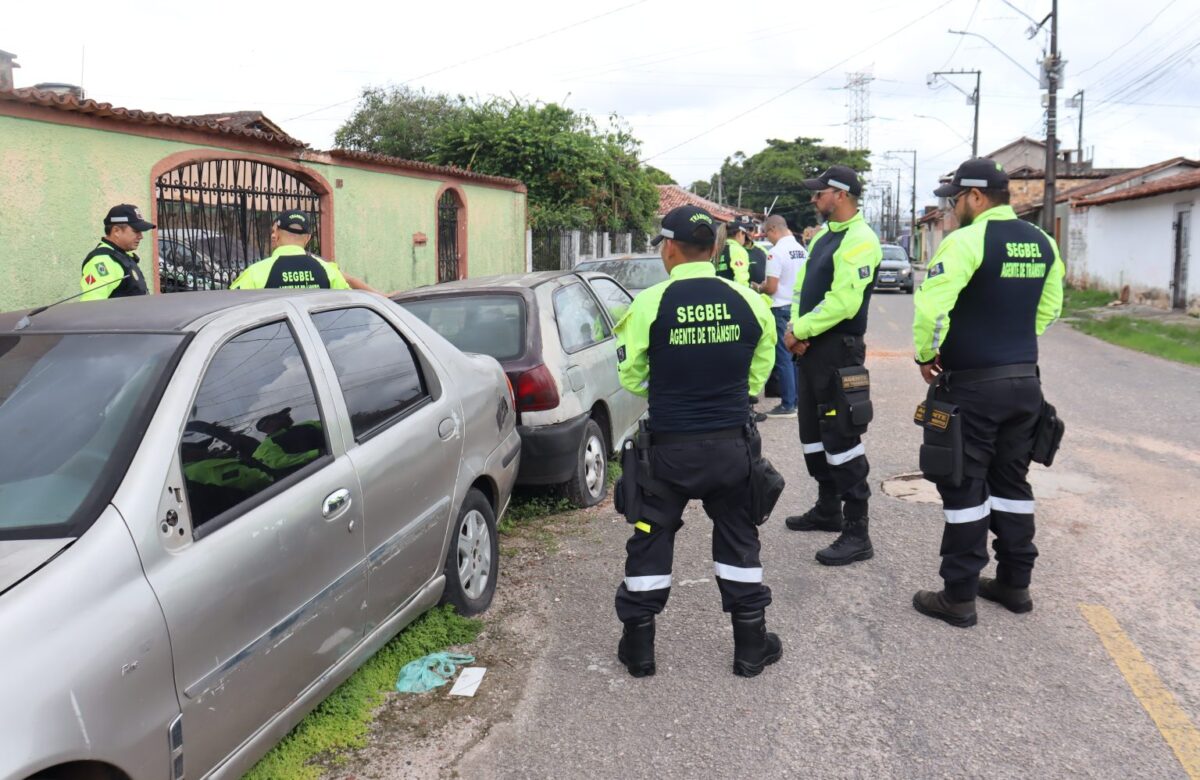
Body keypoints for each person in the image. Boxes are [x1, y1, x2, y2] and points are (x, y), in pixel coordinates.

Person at [612, 204, 781, 679]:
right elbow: (758, 374)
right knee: (738, 534)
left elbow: (630, 374)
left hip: (666, 451)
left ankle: (639, 649)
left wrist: (674, 389)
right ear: (716, 248)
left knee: (650, 536)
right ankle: (751, 646)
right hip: (732, 447)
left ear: (669, 249)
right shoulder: (749, 301)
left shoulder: (649, 303)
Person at [910, 158, 1064, 627]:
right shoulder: (1043, 242)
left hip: (975, 388)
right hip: (1025, 385)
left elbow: (932, 306)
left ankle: (958, 595)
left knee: (964, 487)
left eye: (954, 200)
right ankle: (1015, 584)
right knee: (1013, 485)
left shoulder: (966, 241)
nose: (952, 209)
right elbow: (1050, 308)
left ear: (976, 196)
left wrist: (926, 353)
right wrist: (1012, 340)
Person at [783, 165, 882, 566]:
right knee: (812, 434)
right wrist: (795, 329)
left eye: (819, 192)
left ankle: (857, 531)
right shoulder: (825, 235)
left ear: (840, 194)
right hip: (809, 348)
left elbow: (844, 303)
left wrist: (801, 329)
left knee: (841, 437)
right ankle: (828, 508)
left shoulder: (861, 240)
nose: (813, 198)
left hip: (839, 352)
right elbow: (801, 289)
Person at [230, 211, 379, 291]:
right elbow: (347, 307)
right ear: (308, 238)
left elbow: (230, 311)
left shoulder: (255, 273)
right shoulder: (328, 271)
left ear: (275, 234)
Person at [758, 215, 804, 417]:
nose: (768, 239)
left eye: (767, 234)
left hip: (780, 308)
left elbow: (771, 287)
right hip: (798, 308)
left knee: (783, 356)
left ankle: (787, 404)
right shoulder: (802, 251)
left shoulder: (775, 253)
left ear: (773, 229)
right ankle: (796, 399)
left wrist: (758, 287)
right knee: (795, 356)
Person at [80, 204, 155, 301]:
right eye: (136, 231)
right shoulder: (103, 261)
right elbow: (93, 307)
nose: (141, 236)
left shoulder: (122, 256)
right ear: (116, 231)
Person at [252, 408, 326, 474]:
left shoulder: (307, 424)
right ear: (268, 426)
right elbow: (279, 462)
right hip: (306, 474)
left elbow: (330, 427)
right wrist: (316, 453)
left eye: (286, 414)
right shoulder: (267, 445)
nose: (288, 416)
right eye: (281, 416)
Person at [714, 221, 751, 286]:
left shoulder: (715, 249)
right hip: (731, 293)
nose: (745, 238)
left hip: (714, 291)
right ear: (740, 233)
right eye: (745, 234)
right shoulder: (737, 250)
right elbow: (741, 280)